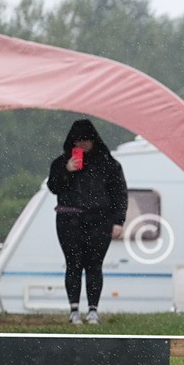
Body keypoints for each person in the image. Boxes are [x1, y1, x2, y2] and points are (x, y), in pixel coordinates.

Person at [47, 119, 127, 325]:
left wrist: (118, 220)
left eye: (85, 142)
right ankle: (74, 310)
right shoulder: (60, 163)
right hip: (69, 220)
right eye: (78, 142)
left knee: (94, 266)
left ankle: (93, 310)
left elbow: (119, 194)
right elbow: (53, 187)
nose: (81, 146)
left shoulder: (109, 164)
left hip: (99, 221)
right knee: (73, 265)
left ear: (94, 141)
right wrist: (67, 171)